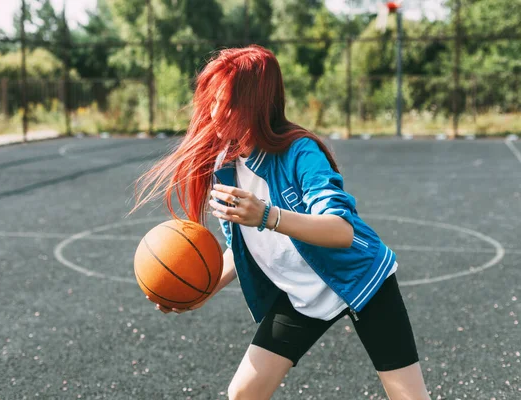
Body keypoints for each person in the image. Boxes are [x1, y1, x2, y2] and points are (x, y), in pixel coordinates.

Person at [133, 45, 430, 400]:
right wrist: (195, 292)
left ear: (256, 104)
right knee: (243, 393)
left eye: (226, 102)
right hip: (300, 294)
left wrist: (267, 216)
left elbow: (341, 230)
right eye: (212, 99)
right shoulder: (224, 166)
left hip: (361, 281)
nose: (214, 111)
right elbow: (237, 249)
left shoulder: (300, 152)